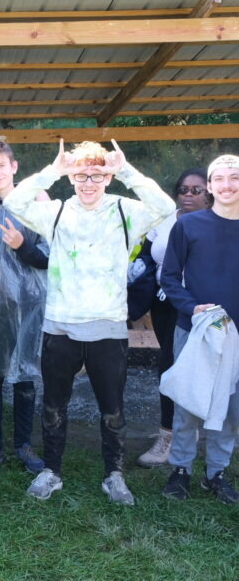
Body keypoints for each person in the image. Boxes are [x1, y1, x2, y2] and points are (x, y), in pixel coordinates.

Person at [4, 139, 175, 505]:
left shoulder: (125, 210)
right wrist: (55, 170)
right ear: (71, 176)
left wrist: (126, 170)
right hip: (61, 325)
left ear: (107, 176)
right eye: (80, 174)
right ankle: (52, 471)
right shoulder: (58, 212)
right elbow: (14, 203)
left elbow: (166, 206)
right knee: (54, 404)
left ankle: (114, 475)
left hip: (108, 326)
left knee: (112, 408)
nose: (88, 182)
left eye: (96, 175)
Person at [160, 154, 239, 504]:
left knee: (230, 407)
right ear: (209, 187)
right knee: (188, 403)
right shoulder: (188, 226)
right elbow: (169, 278)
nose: (226, 185)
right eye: (219, 179)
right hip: (195, 330)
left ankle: (216, 473)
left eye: (234, 178)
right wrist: (193, 308)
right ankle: (180, 469)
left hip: (236, 336)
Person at [0, 140, 48, 476]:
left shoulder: (36, 205)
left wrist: (23, 246)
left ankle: (24, 445)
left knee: (25, 374)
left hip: (27, 307)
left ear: (14, 167)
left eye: (2, 166)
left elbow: (49, 257)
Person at [136, 167, 209, 467]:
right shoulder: (166, 218)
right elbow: (146, 252)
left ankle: (190, 433)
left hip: (202, 304)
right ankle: (168, 433)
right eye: (183, 189)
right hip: (166, 302)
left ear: (209, 194)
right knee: (168, 366)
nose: (188, 195)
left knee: (199, 368)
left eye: (196, 190)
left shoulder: (217, 223)